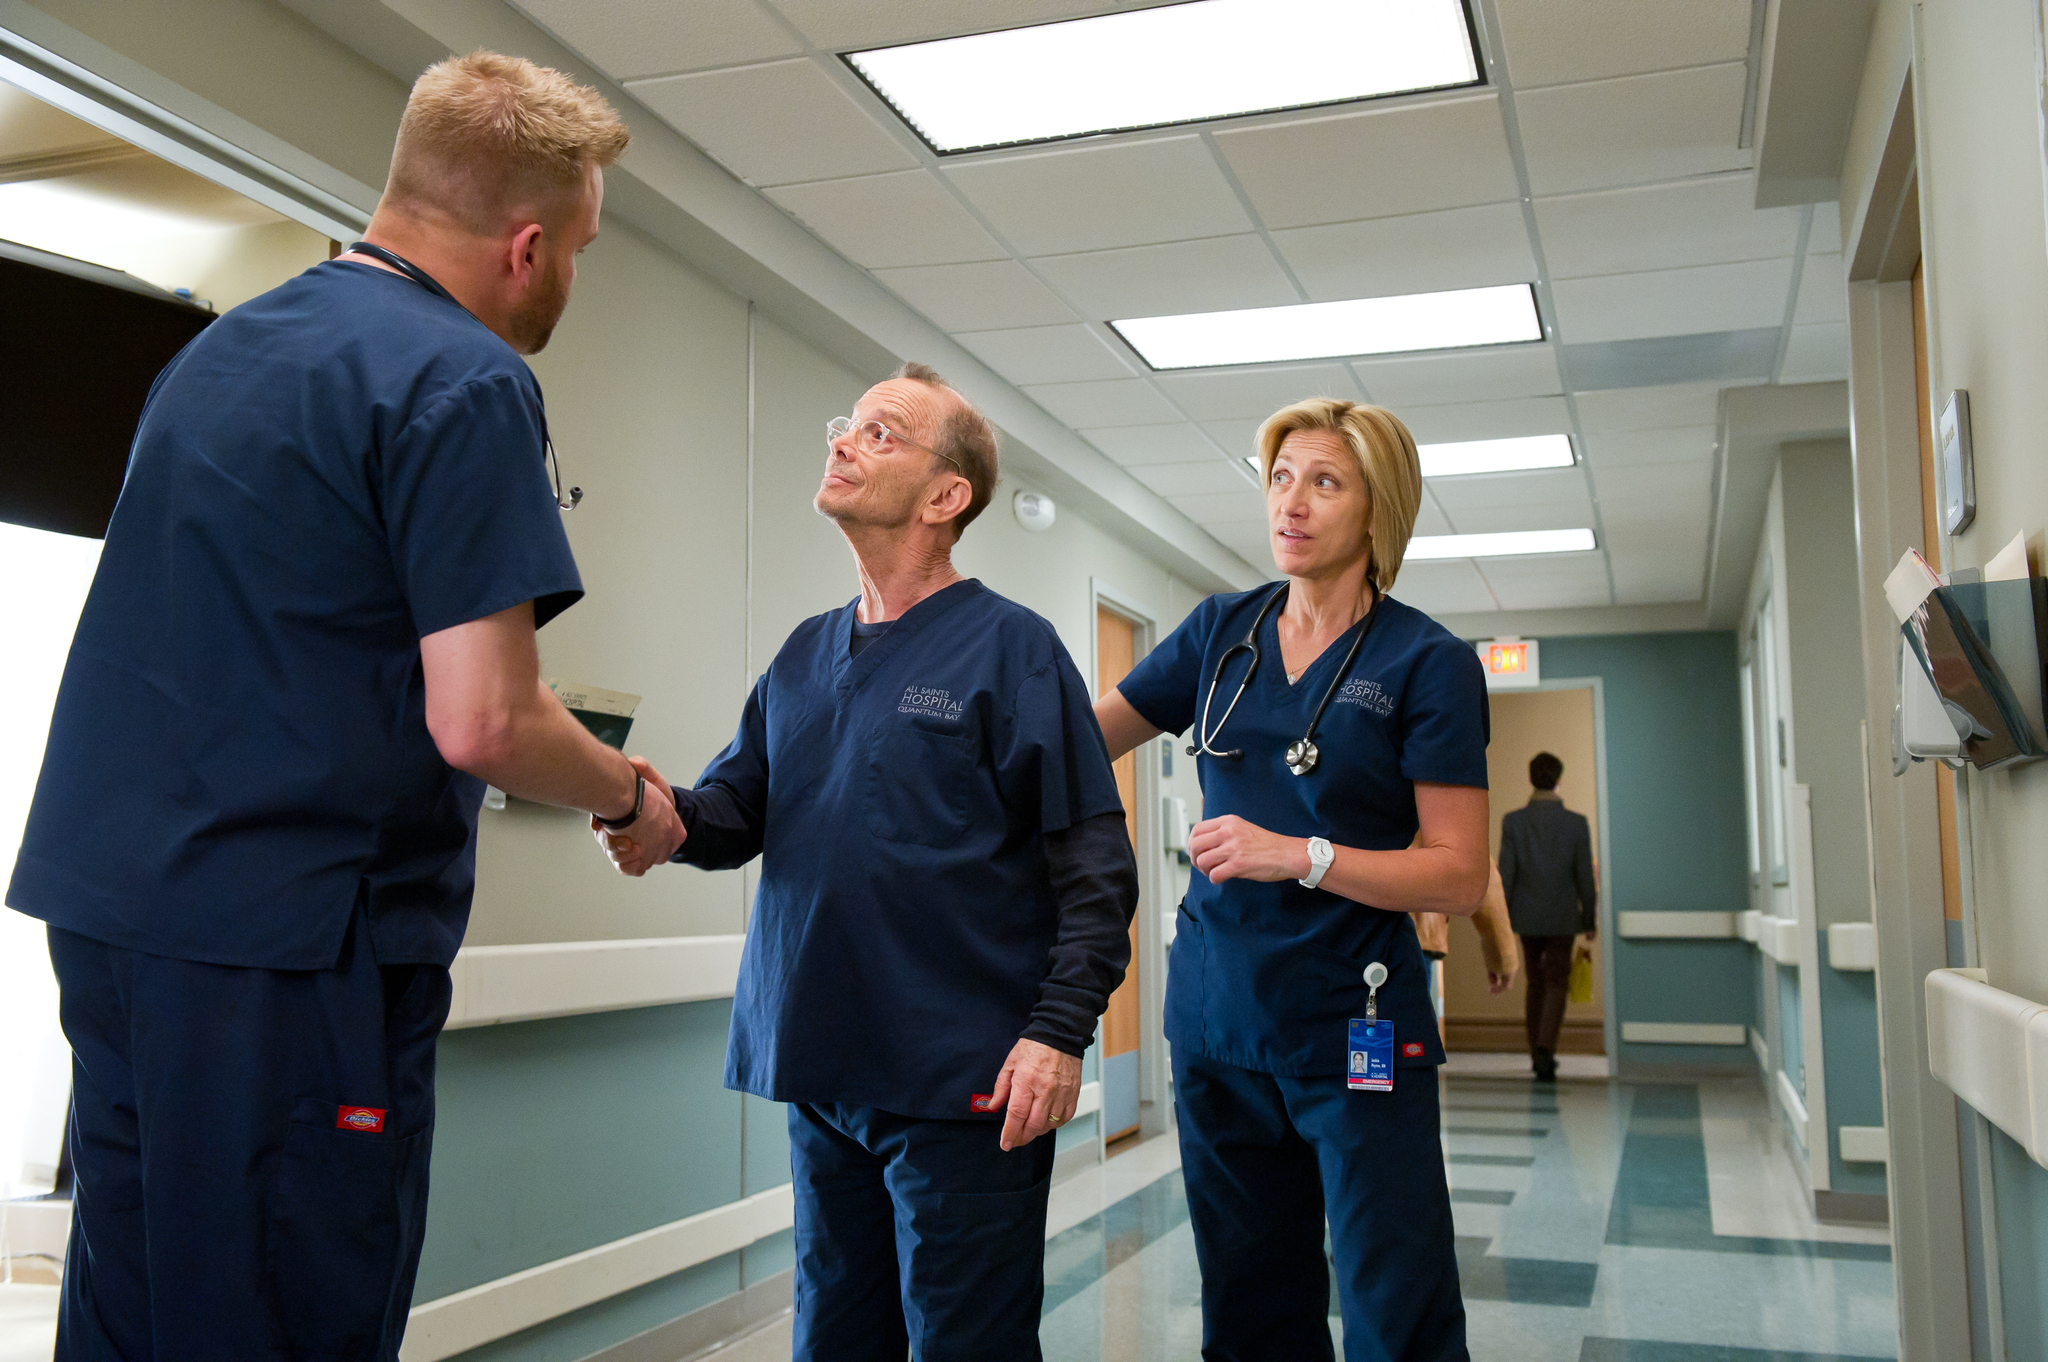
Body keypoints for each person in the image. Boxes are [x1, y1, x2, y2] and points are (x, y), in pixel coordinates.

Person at [3, 54, 684, 1360]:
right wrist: (630, 794)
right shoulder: (466, 382)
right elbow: (484, 719)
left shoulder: (219, 354)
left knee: (134, 1308)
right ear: (529, 244)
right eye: (582, 250)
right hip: (290, 952)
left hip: (115, 922)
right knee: (281, 1319)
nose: (569, 281)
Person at [597, 362, 1139, 1361]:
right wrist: (659, 816)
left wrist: (1060, 1033)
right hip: (825, 1066)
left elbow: (1094, 862)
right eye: (847, 424)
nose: (843, 441)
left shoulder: (1011, 650)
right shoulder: (806, 653)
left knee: (962, 1343)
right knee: (836, 1338)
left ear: (945, 497)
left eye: (881, 433)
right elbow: (736, 811)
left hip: (962, 1082)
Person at [1093, 398, 1489, 1362]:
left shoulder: (1427, 662)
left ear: (1377, 509)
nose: (1292, 504)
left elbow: (1460, 875)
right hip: (1221, 1020)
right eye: (1279, 479)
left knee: (1395, 1300)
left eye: (1324, 481)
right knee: (1248, 1304)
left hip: (1357, 1023)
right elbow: (1078, 740)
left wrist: (1302, 855)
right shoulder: (1219, 633)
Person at [1498, 750, 1598, 1083]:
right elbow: (1584, 875)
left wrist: (1504, 919)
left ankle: (1534, 1051)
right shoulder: (1576, 823)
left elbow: (1506, 874)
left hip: (1525, 917)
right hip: (1563, 917)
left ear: (1530, 779)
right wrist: (1590, 918)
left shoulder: (1514, 822)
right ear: (1559, 780)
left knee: (1535, 982)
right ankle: (1545, 1049)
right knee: (1557, 981)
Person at [1414, 861, 1521, 1041]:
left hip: (1357, 925)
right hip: (1416, 931)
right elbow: (1477, 869)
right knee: (1414, 1039)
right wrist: (1503, 956)